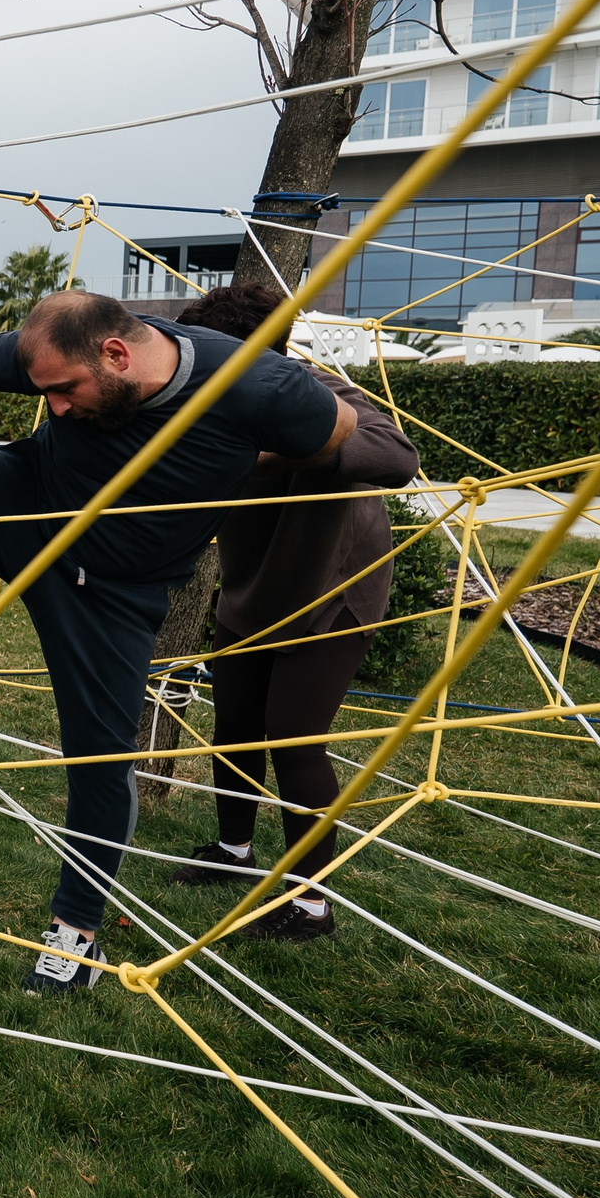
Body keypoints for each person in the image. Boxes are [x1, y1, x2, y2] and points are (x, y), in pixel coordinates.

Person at [0, 289, 357, 995]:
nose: (57, 405)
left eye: (66, 390)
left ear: (117, 355)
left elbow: (336, 431)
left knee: (100, 759)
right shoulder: (61, 351)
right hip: (29, 505)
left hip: (112, 591)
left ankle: (75, 934)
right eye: (46, 391)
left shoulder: (258, 384)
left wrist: (237, 462)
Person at [166, 282, 421, 942]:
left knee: (292, 736)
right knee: (236, 724)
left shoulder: (317, 392)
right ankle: (234, 852)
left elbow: (398, 456)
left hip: (333, 588)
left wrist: (265, 456)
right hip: (254, 586)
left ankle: (311, 905)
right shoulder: (200, 394)